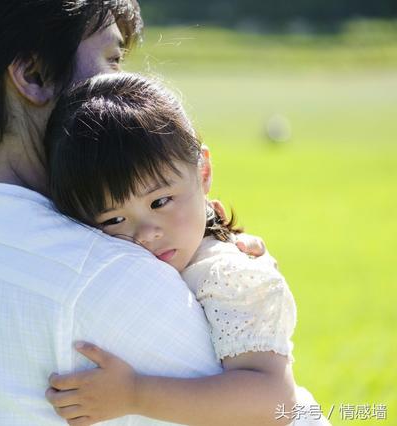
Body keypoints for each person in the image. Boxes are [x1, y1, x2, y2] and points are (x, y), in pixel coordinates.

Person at [0, 1, 265, 424]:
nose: (127, 84)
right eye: (113, 59)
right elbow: (275, 410)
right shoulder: (111, 274)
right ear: (34, 76)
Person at [43, 73, 330, 426]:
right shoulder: (181, 254)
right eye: (114, 220)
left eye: (161, 201)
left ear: (203, 170)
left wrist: (133, 393)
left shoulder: (231, 275)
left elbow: (273, 400)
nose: (146, 233)